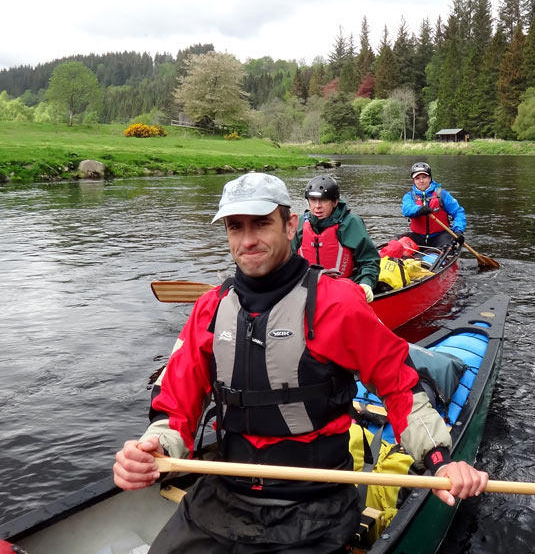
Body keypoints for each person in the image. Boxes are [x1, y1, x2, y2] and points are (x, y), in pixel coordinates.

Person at [113, 172, 488, 554]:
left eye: (261, 224)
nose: (247, 240)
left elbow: (398, 384)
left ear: (290, 225)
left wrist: (441, 461)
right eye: (235, 227)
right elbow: (176, 403)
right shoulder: (210, 308)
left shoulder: (336, 303)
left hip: (316, 501)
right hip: (226, 491)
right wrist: (156, 448)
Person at [292, 175, 380, 303]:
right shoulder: (300, 223)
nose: (317, 206)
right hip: (307, 291)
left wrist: (366, 283)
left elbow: (369, 260)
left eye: (323, 200)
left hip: (343, 293)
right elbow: (287, 261)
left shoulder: (350, 223)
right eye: (313, 200)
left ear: (335, 202)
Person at [401, 161, 467, 249]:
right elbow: (406, 209)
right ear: (413, 180)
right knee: (396, 243)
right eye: (417, 178)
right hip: (418, 237)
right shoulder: (409, 196)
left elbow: (458, 212)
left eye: (424, 177)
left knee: (446, 245)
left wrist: (458, 230)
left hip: (440, 237)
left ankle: (437, 259)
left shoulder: (442, 195)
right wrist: (419, 209)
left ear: (430, 178)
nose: (421, 181)